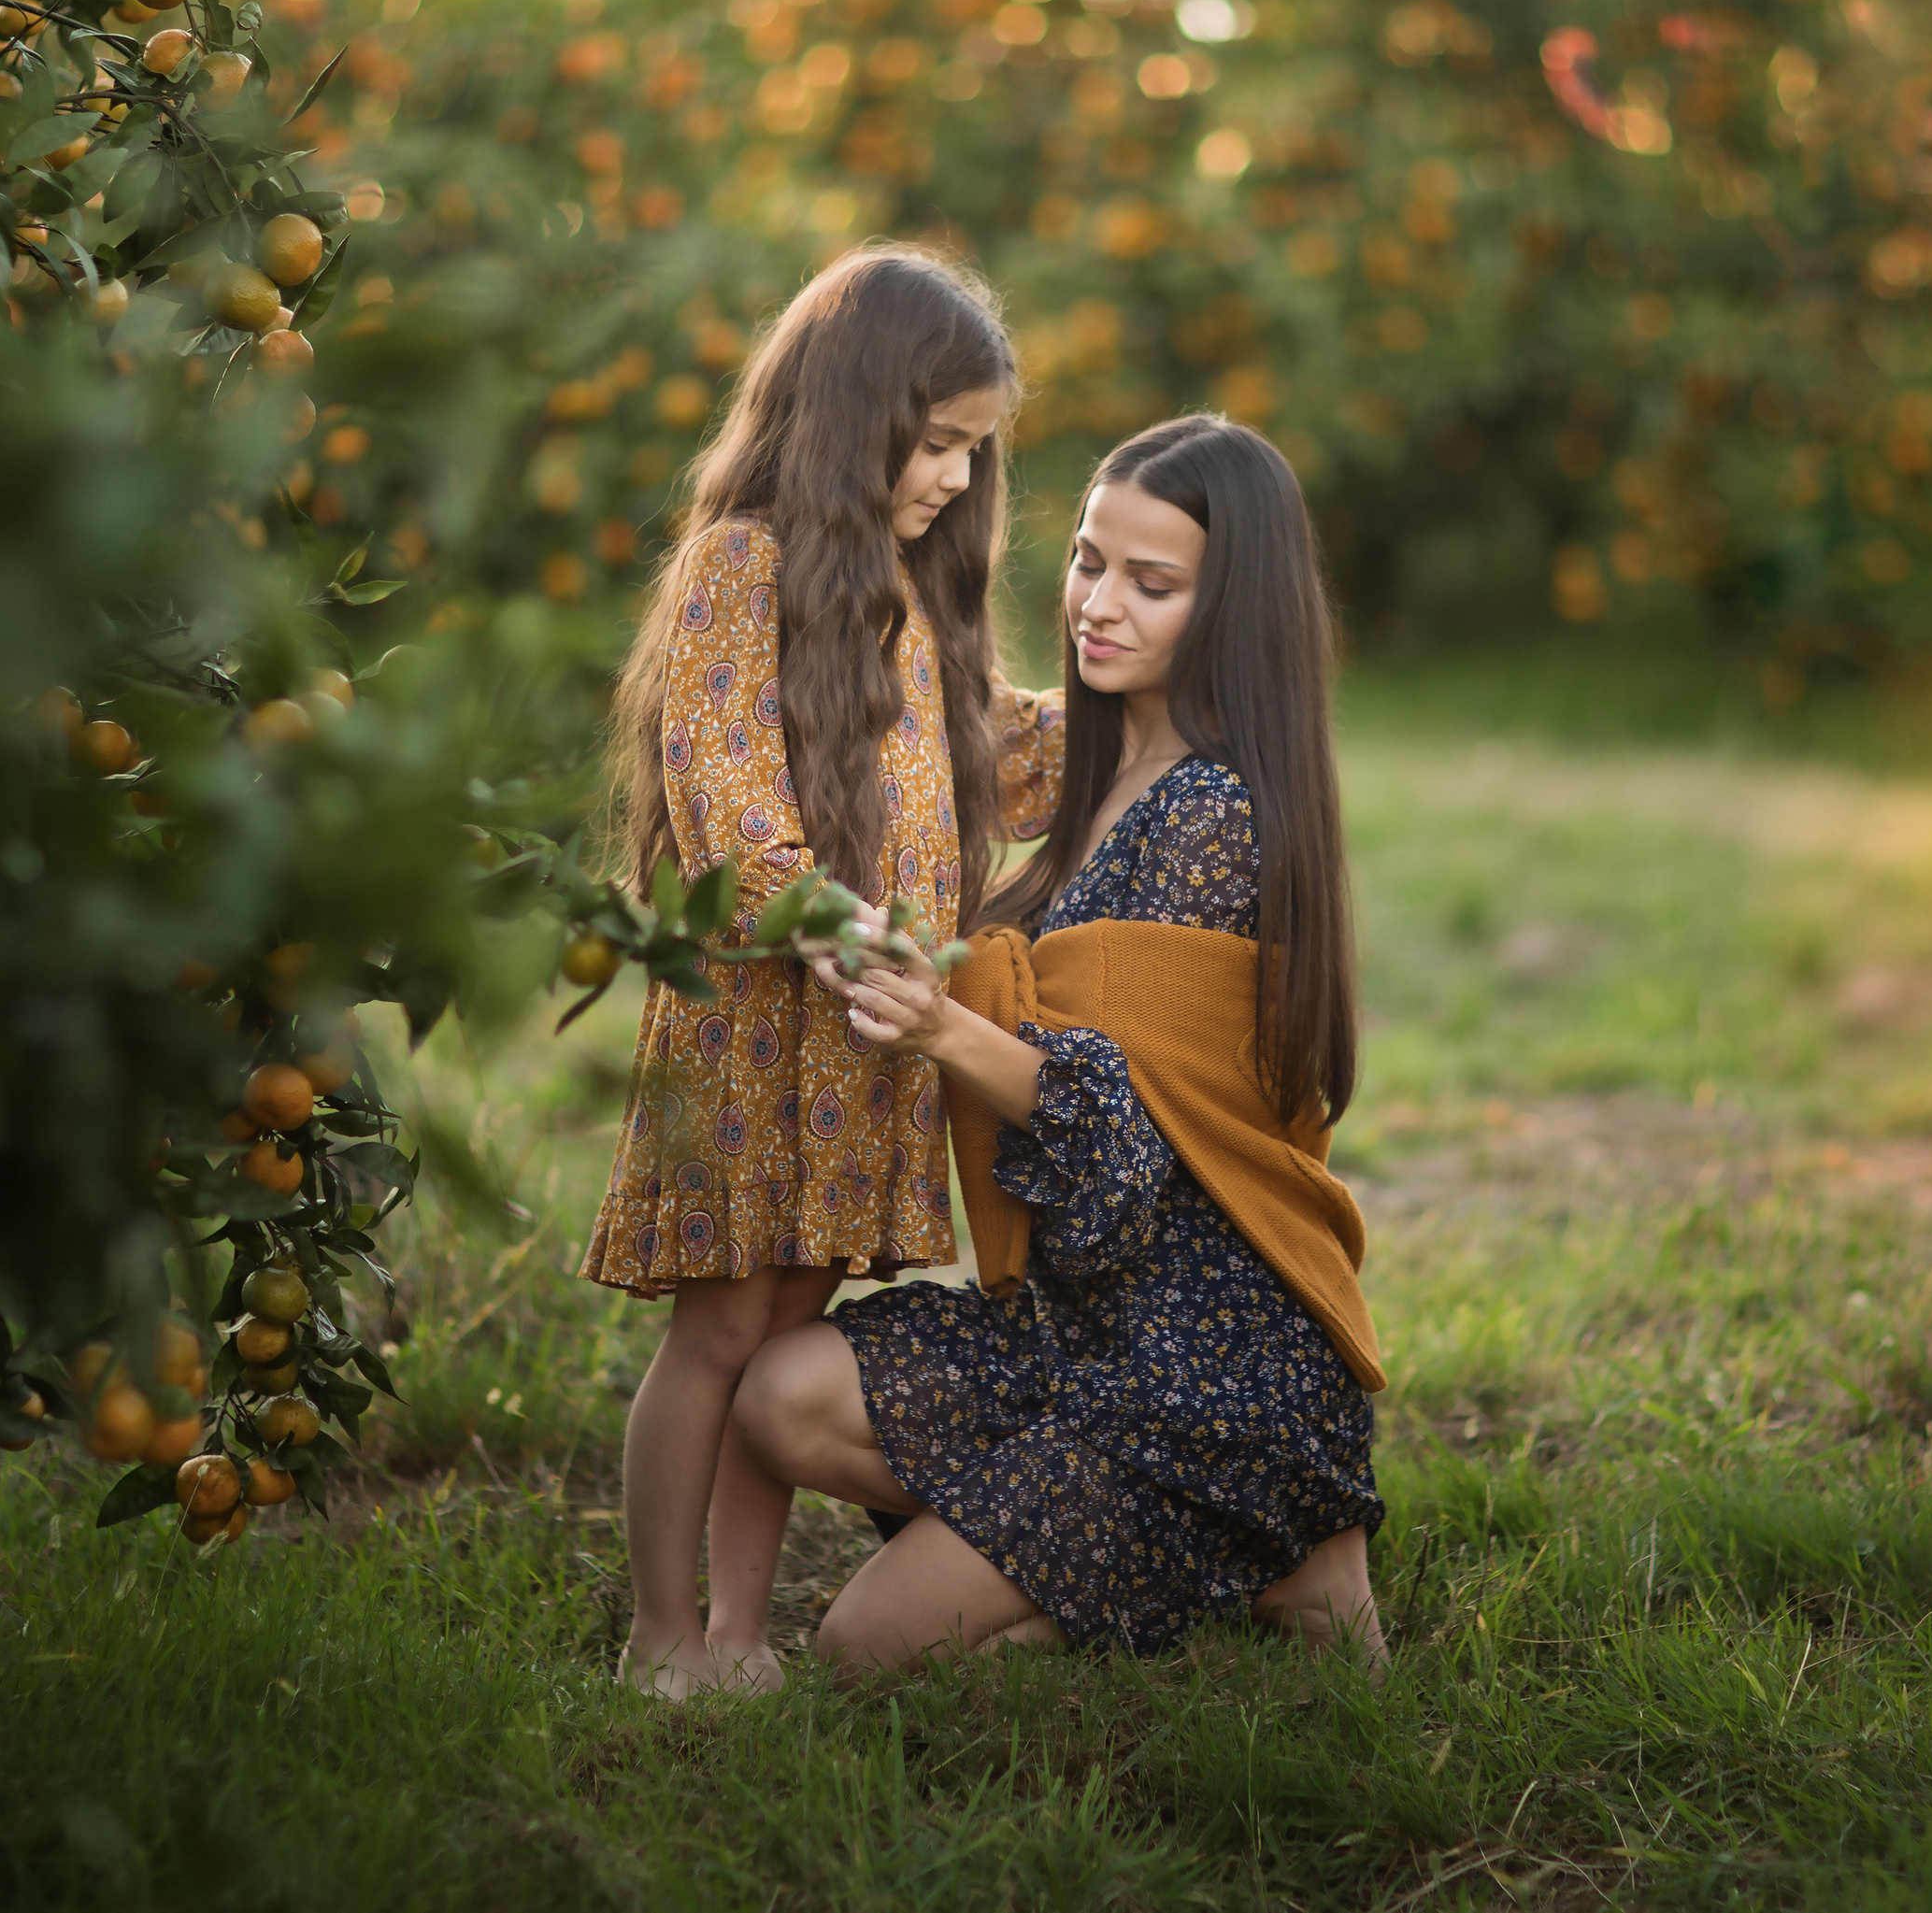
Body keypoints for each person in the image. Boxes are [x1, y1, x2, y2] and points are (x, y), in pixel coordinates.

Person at [734, 413, 1389, 1675]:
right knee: (778, 1394)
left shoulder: (1212, 815)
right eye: (1091, 561)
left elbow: (1122, 1148)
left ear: (1231, 609)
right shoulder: (1089, 782)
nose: (1098, 603)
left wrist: (944, 1029)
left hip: (1204, 1368)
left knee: (861, 1646)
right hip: (1071, 1330)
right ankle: (1203, 1560)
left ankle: (1261, 1551)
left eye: (1154, 584)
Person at [583, 247, 1064, 1696]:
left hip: (855, 1037)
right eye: (935, 448)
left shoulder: (913, 597)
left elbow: (1003, 749)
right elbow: (728, 783)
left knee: (789, 1327)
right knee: (720, 1327)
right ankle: (660, 1633)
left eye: (974, 455)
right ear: (857, 421)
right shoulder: (742, 565)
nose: (954, 481)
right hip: (758, 1023)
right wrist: (830, 918)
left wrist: (1149, 700)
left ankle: (740, 1633)